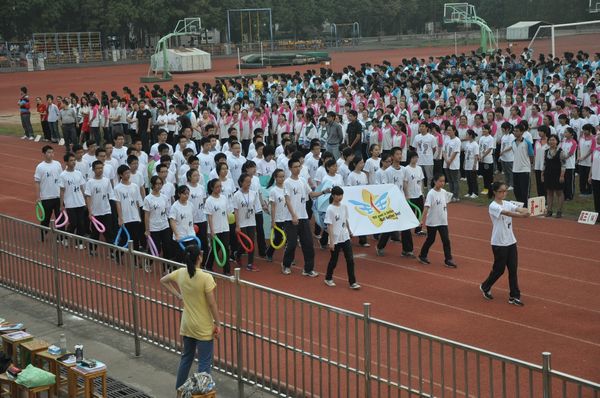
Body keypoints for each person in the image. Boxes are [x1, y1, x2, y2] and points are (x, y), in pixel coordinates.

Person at [159, 245, 220, 394]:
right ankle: (200, 394)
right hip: (203, 326)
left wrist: (178, 295)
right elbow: (212, 304)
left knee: (186, 358)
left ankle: (179, 391)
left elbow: (163, 280)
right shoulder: (206, 277)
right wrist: (218, 323)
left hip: (187, 324)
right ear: (199, 257)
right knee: (204, 364)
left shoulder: (180, 273)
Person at [480, 181, 530, 307]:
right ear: (495, 192)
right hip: (499, 243)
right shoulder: (493, 206)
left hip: (511, 241)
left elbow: (517, 208)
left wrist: (528, 210)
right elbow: (507, 213)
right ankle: (485, 286)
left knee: (513, 269)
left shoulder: (507, 203)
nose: (504, 193)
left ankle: (514, 296)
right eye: (501, 191)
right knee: (499, 270)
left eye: (506, 191)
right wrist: (522, 216)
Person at [282, 158, 330, 276]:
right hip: (291, 218)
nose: (298, 169)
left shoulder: (303, 180)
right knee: (292, 244)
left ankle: (308, 269)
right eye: (295, 167)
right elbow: (287, 200)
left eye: (299, 166)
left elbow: (311, 194)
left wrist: (323, 192)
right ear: (290, 168)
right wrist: (293, 215)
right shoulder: (287, 182)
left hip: (303, 217)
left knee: (308, 243)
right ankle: (286, 265)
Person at [323, 186, 361, 289]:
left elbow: (345, 219)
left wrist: (349, 230)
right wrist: (331, 241)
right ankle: (328, 278)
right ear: (333, 196)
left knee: (350, 259)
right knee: (334, 260)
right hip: (335, 238)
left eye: (341, 195)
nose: (340, 197)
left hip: (345, 237)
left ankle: (352, 282)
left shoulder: (344, 206)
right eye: (337, 195)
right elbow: (329, 225)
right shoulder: (330, 209)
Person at [417, 173, 457, 267]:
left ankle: (448, 259)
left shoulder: (443, 192)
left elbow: (446, 201)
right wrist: (421, 220)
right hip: (432, 222)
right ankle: (422, 255)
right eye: (440, 181)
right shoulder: (431, 193)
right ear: (435, 181)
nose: (442, 183)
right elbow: (426, 207)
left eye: (444, 181)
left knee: (446, 240)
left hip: (443, 221)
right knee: (431, 239)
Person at [34, 145, 63, 241]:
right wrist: (38, 197)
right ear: (44, 154)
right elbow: (37, 182)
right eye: (49, 152)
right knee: (46, 218)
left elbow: (62, 179)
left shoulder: (57, 164)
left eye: (52, 152)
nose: (51, 154)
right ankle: (43, 233)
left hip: (58, 196)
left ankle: (61, 236)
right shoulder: (40, 167)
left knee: (60, 216)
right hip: (46, 197)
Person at [59, 152, 87, 249]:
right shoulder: (63, 175)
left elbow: (82, 188)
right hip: (70, 203)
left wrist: (85, 201)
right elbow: (62, 190)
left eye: (74, 160)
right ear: (66, 162)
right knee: (73, 222)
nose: (73, 162)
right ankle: (66, 237)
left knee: (81, 223)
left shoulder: (78, 173)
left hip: (80, 202)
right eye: (71, 160)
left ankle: (78, 242)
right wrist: (61, 205)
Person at [233, 173, 260, 271]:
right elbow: (235, 210)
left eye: (250, 182)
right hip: (242, 222)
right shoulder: (237, 195)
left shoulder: (253, 193)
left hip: (251, 221)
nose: (249, 183)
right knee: (244, 242)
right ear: (241, 182)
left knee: (251, 243)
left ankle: (250, 264)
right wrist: (237, 225)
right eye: (247, 182)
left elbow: (256, 207)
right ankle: (238, 254)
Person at [204, 178, 231, 275]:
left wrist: (228, 225)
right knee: (216, 249)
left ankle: (227, 270)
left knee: (226, 248)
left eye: (220, 186)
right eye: (217, 187)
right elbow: (209, 217)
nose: (219, 188)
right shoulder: (209, 200)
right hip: (215, 229)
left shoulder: (224, 198)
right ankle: (208, 265)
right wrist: (211, 230)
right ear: (212, 188)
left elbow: (227, 213)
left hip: (225, 227)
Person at [143, 176, 173, 260]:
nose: (158, 186)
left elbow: (167, 212)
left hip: (164, 226)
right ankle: (148, 262)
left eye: (160, 184)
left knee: (167, 247)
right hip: (154, 228)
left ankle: (166, 267)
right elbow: (146, 215)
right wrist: (147, 230)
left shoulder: (164, 197)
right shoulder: (148, 199)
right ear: (152, 185)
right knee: (156, 248)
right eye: (156, 184)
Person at [265, 169, 289, 262]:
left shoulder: (286, 188)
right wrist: (273, 220)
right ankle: (269, 252)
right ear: (275, 178)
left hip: (287, 217)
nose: (282, 178)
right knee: (278, 238)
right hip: (278, 218)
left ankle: (288, 257)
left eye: (283, 176)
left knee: (288, 238)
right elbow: (273, 207)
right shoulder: (273, 191)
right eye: (280, 177)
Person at [168, 185, 195, 262]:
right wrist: (176, 234)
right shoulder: (175, 206)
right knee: (180, 257)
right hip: (180, 237)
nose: (187, 195)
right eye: (184, 194)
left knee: (192, 256)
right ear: (179, 194)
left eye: (188, 194)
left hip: (191, 235)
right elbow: (172, 221)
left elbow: (192, 218)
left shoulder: (190, 205)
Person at [542, 134, 566, 218]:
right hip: (548, 174)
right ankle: (549, 210)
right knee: (549, 192)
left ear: (557, 141)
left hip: (557, 174)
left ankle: (559, 211)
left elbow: (563, 165)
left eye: (553, 140)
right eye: (550, 140)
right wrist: (542, 174)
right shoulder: (546, 151)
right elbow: (544, 164)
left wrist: (562, 176)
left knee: (559, 192)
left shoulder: (561, 152)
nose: (551, 141)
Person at [511, 123, 533, 205]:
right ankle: (520, 205)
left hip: (524, 169)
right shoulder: (513, 142)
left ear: (522, 132)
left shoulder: (527, 142)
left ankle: (526, 206)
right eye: (514, 131)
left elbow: (531, 155)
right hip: (515, 169)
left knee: (524, 190)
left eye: (517, 131)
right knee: (516, 190)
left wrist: (529, 164)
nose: (515, 133)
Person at [443, 125, 461, 201]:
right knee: (449, 180)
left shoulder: (457, 140)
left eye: (450, 130)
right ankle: (451, 195)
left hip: (454, 163)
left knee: (455, 180)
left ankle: (456, 196)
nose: (448, 131)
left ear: (454, 131)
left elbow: (455, 152)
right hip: (446, 162)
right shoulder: (446, 139)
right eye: (447, 130)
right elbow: (444, 150)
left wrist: (449, 161)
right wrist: (446, 160)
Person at [590, 134, 600, 216]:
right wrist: (590, 175)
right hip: (595, 177)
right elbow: (592, 163)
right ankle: (597, 213)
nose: (598, 139)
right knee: (596, 197)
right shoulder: (595, 150)